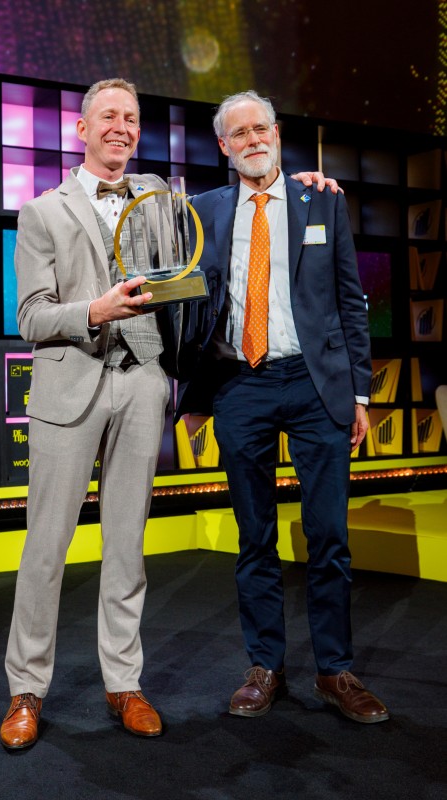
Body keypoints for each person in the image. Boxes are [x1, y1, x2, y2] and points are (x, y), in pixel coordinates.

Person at [0, 77, 339, 750]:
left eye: (130, 118)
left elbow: (237, 203)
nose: (120, 127)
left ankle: (124, 684)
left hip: (142, 386)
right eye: (108, 117)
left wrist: (301, 183)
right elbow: (31, 317)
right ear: (82, 129)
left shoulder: (159, 198)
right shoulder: (42, 212)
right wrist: (96, 310)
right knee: (45, 551)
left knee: (127, 548)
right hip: (69, 393)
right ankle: (26, 690)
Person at [176, 90, 389, 724]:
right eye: (238, 133)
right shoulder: (202, 210)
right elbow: (189, 305)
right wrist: (194, 393)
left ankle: (335, 670)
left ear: (277, 133)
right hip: (240, 386)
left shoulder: (321, 199)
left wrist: (358, 393)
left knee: (329, 536)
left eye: (260, 128)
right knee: (255, 537)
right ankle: (265, 666)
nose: (252, 140)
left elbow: (351, 300)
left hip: (316, 385)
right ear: (224, 145)